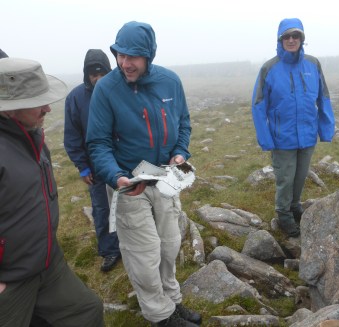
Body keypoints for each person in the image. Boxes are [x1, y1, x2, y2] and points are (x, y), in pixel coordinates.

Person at [86, 21, 201, 326]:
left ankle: (172, 301)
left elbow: (184, 122)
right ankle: (159, 315)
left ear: (149, 55)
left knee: (169, 243)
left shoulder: (170, 82)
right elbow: (97, 143)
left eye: (133, 56)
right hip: (128, 183)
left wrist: (181, 152)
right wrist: (115, 176)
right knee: (143, 251)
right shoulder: (106, 90)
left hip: (165, 177)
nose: (125, 63)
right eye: (120, 54)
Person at [0, 57, 104, 326]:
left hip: (47, 263)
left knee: (87, 311)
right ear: (10, 108)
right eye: (38, 101)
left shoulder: (31, 136)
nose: (48, 107)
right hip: (10, 279)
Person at [251, 18, 335, 238]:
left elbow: (323, 97)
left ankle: (295, 206)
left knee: (300, 176)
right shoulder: (269, 68)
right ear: (280, 40)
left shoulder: (313, 64)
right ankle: (283, 215)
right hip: (282, 136)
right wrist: (266, 138)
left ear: (302, 39)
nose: (291, 40)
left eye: (295, 36)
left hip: (307, 134)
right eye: (286, 36)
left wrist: (325, 129)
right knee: (285, 179)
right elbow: (258, 105)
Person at [64, 49, 121, 272]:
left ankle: (131, 244)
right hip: (96, 166)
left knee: (132, 204)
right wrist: (82, 166)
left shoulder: (120, 91)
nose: (97, 78)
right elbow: (72, 135)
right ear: (86, 75)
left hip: (124, 162)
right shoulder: (76, 98)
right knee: (102, 209)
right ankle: (109, 251)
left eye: (102, 73)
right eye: (92, 74)